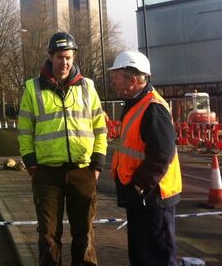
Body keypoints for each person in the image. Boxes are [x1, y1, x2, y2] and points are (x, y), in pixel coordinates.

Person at [17, 32, 107, 266]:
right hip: (47, 173)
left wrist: (96, 165)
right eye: (59, 57)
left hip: (82, 171)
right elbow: (24, 130)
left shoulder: (88, 87)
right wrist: (31, 163)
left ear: (73, 57)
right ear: (51, 57)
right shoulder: (33, 88)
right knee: (48, 235)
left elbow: (100, 128)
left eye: (68, 57)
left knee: (84, 234)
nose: (64, 62)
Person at [108, 50, 182, 266]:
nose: (113, 81)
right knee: (142, 256)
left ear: (132, 80)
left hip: (152, 198)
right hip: (142, 198)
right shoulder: (136, 104)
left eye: (116, 76)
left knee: (157, 258)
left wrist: (140, 185)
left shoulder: (153, 108)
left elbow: (162, 153)